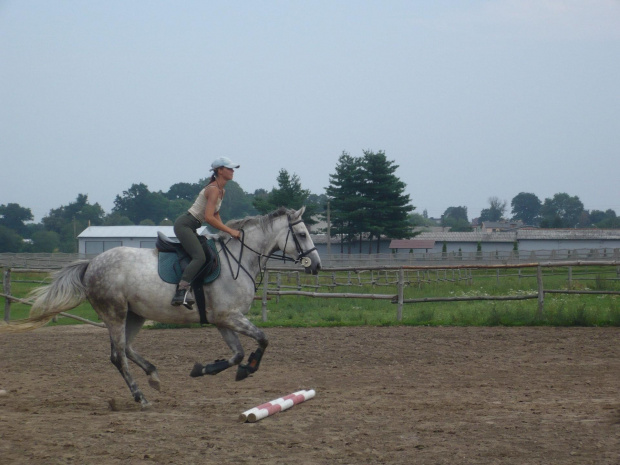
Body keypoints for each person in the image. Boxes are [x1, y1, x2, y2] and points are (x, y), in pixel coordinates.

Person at [171, 157, 242, 307]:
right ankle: (180, 291)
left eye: (232, 168)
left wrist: (226, 233)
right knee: (199, 257)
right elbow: (209, 218)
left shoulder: (221, 190)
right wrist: (230, 230)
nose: (232, 171)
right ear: (220, 171)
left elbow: (215, 214)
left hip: (191, 226)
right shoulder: (213, 190)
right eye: (229, 168)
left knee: (208, 255)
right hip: (184, 225)